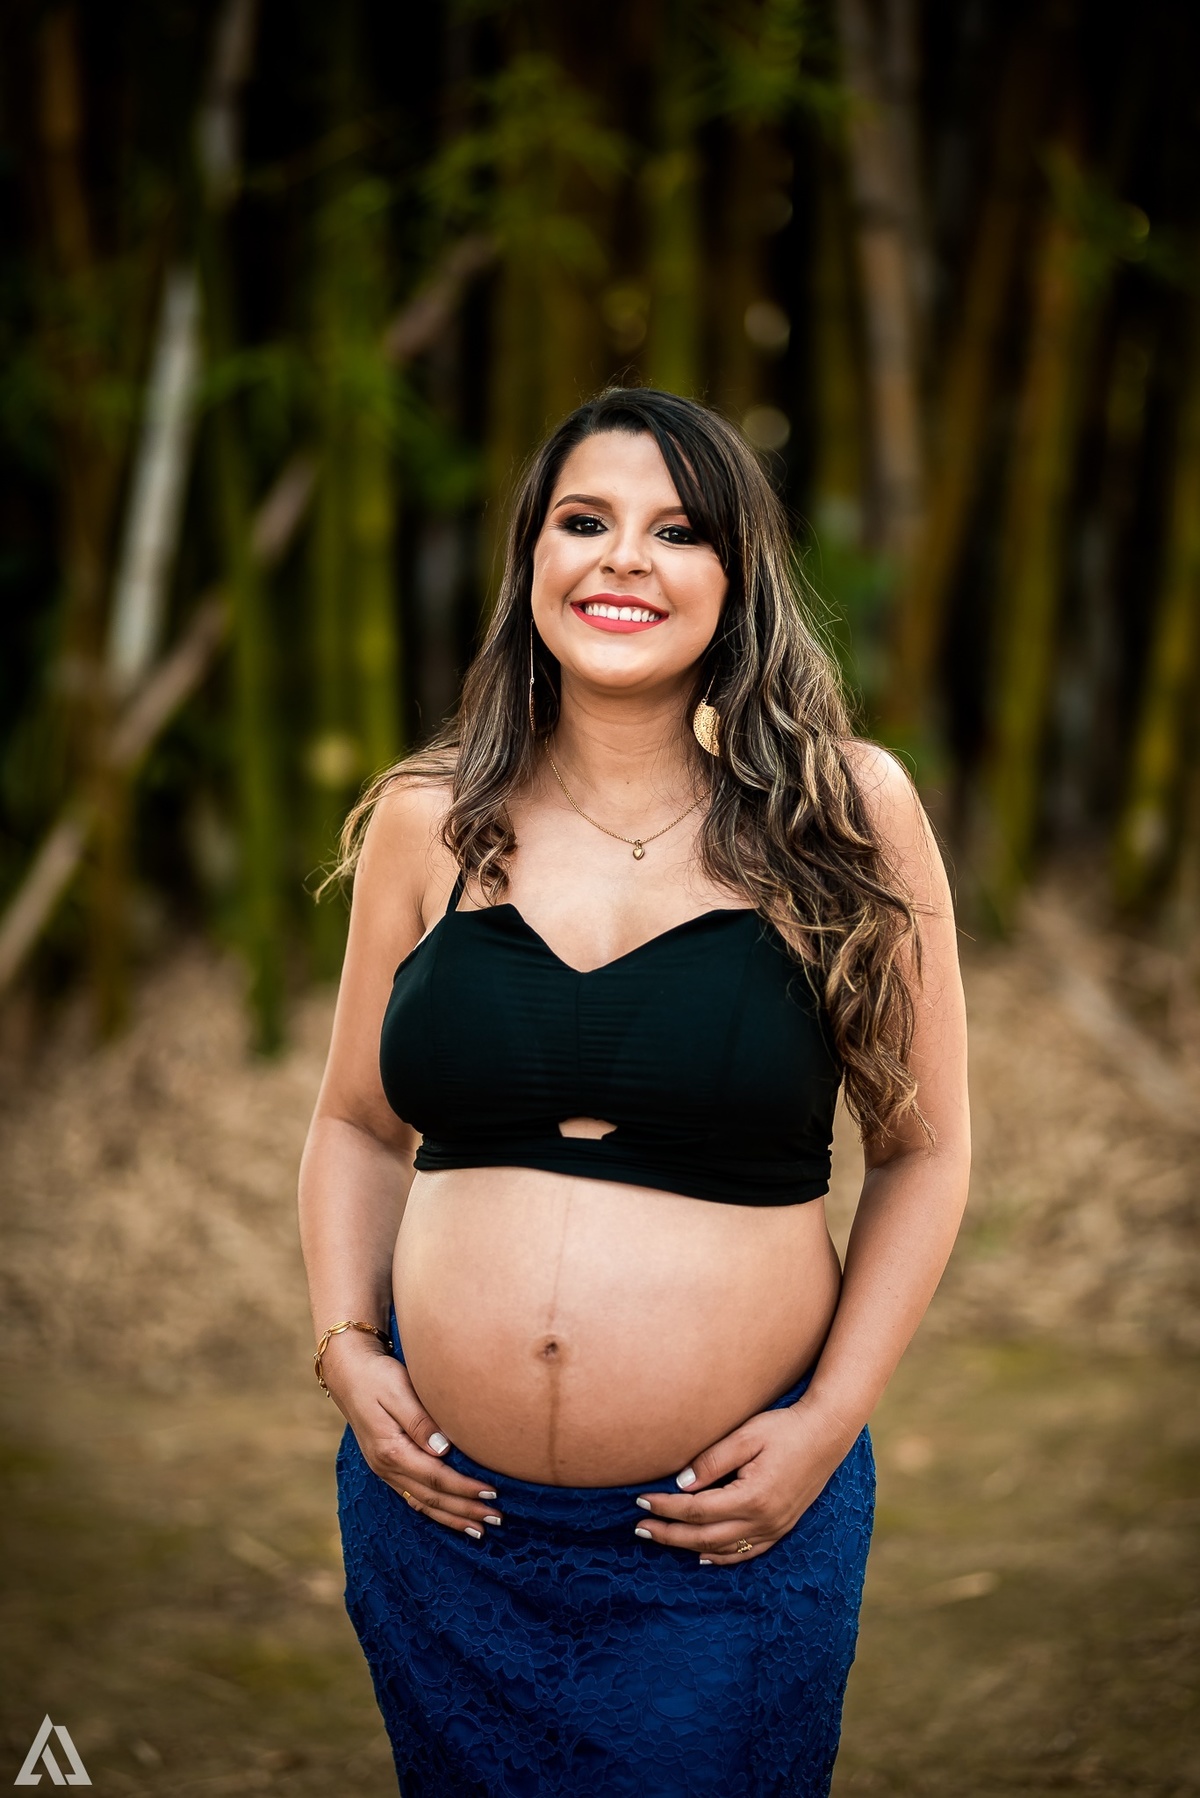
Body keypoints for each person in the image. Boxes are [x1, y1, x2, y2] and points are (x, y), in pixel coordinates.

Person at [298, 387, 970, 1798]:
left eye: (677, 530)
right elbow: (358, 1120)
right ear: (530, 559)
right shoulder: (430, 817)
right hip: (446, 1528)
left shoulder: (843, 812)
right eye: (584, 521)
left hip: (721, 1536)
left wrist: (829, 1418)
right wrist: (347, 1343)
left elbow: (923, 1150)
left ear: (736, 578)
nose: (622, 558)